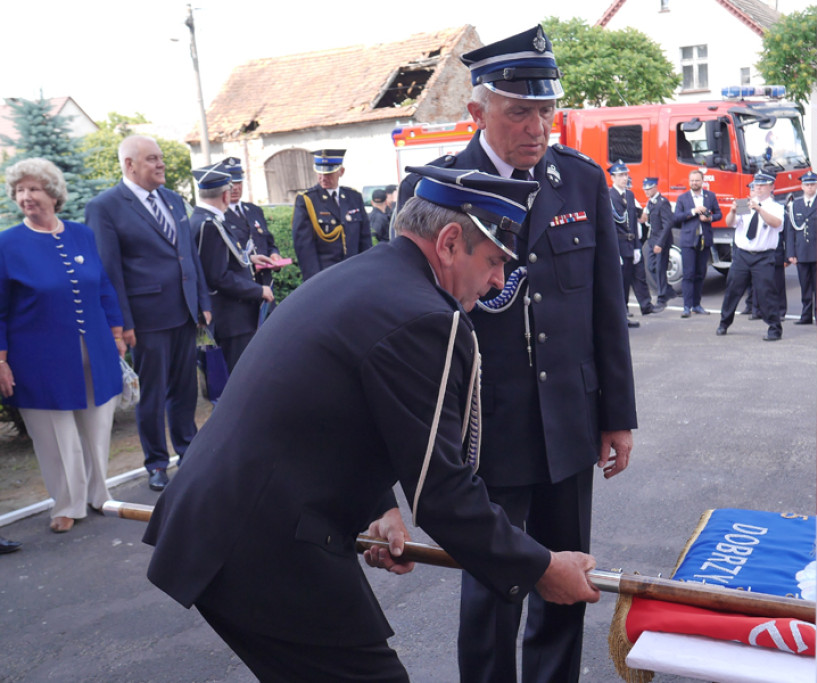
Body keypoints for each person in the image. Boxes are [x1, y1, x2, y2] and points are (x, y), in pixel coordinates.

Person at [143, 166, 601, 682]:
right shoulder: (427, 317)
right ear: (450, 242)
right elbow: (443, 494)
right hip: (263, 544)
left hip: (230, 525)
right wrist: (541, 569)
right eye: (494, 260)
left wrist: (380, 506)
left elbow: (343, 408)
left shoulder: (368, 277)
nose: (499, 280)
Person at [396, 25, 636, 683]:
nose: (537, 127)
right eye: (519, 112)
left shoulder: (579, 180)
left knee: (567, 581)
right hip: (488, 425)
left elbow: (604, 307)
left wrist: (617, 415)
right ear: (477, 111)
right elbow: (413, 319)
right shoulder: (435, 187)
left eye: (545, 111)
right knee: (493, 590)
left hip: (569, 419)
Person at [1, 158, 125, 532]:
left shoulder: (81, 234)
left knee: (97, 425)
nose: (26, 196)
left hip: (95, 349)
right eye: (19, 190)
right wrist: (1, 360)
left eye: (33, 189)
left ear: (53, 194)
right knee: (55, 434)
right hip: (38, 358)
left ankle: (99, 493)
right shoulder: (6, 244)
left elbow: (102, 285)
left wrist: (117, 333)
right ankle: (67, 504)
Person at [85, 136, 211, 492]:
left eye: (161, 158)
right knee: (152, 395)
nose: (161, 164)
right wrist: (121, 323)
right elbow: (109, 270)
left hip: (184, 312)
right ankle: (156, 462)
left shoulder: (172, 199)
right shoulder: (105, 206)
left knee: (185, 390)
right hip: (145, 320)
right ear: (130, 165)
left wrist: (202, 300)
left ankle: (188, 452)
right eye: (152, 159)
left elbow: (189, 255)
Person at [191, 164, 274, 374]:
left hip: (231, 318)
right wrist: (259, 290)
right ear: (225, 195)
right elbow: (218, 276)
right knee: (240, 376)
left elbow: (217, 261)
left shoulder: (204, 219)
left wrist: (249, 259)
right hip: (231, 319)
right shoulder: (210, 225)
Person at [716, 172, 785, 341]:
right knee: (733, 289)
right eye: (756, 185)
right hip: (742, 254)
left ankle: (774, 328)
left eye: (762, 185)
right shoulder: (744, 203)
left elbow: (776, 223)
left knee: (766, 292)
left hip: (763, 256)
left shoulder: (775, 207)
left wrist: (759, 209)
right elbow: (730, 223)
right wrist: (733, 211)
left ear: (771, 187)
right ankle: (724, 323)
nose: (758, 188)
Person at [291, 149, 372, 281]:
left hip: (355, 273)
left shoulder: (353, 197)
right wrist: (314, 280)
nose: (323, 178)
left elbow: (365, 239)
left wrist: (366, 270)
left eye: (329, 173)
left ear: (341, 171)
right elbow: (304, 247)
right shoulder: (307, 200)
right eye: (320, 173)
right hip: (325, 276)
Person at [221, 157, 283, 292]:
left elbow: (269, 243)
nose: (235, 188)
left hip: (265, 283)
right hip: (242, 287)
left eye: (238, 182)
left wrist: (274, 255)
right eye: (231, 183)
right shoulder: (219, 216)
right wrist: (250, 261)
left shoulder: (254, 210)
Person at [608, 160, 654, 325]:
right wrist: (614, 251)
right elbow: (610, 226)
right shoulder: (609, 196)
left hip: (630, 243)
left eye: (626, 175)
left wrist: (636, 247)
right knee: (619, 283)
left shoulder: (629, 195)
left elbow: (633, 222)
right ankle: (620, 317)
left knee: (628, 281)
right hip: (619, 244)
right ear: (613, 178)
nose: (624, 178)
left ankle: (625, 314)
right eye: (620, 175)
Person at [673, 169, 722, 317]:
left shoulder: (710, 196)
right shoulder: (683, 198)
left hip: (704, 240)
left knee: (700, 274)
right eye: (692, 180)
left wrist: (710, 218)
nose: (694, 183)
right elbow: (676, 218)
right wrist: (693, 211)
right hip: (688, 241)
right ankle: (686, 307)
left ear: (702, 181)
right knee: (688, 274)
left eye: (697, 180)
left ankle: (697, 305)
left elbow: (719, 214)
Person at [785, 171, 817, 325]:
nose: (810, 187)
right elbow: (790, 231)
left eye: (812, 184)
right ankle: (806, 315)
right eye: (807, 184)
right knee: (805, 285)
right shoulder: (795, 205)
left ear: (816, 186)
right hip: (802, 251)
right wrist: (790, 253)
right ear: (802, 187)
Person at [643, 177, 675, 310]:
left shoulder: (662, 202)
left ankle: (662, 297)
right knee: (651, 266)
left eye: (649, 189)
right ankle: (668, 290)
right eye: (645, 189)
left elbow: (667, 224)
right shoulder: (650, 203)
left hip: (661, 241)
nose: (646, 191)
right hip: (652, 239)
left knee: (661, 268)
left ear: (655, 187)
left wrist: (660, 244)